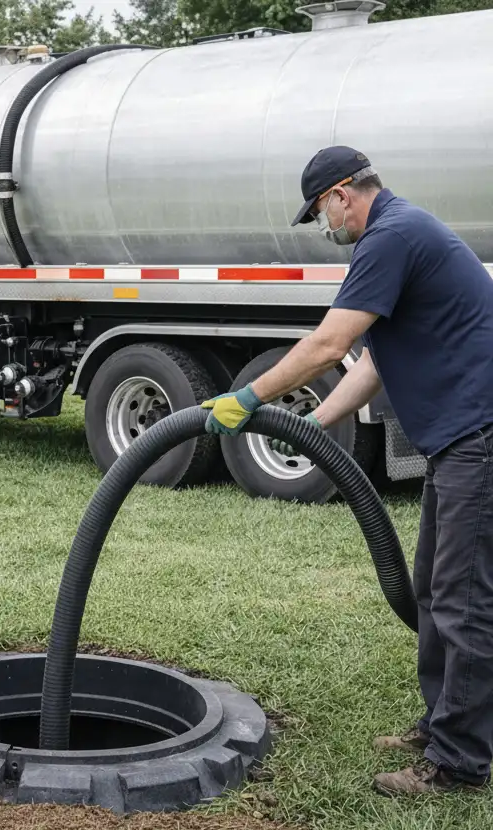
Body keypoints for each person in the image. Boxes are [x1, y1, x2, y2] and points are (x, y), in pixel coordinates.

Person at [202, 145, 493, 796]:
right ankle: (440, 725)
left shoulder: (390, 237)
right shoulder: (402, 233)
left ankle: (458, 764)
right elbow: (373, 362)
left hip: (479, 436)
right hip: (458, 439)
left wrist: (249, 396)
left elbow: (328, 344)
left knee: (465, 601)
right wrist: (317, 422)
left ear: (341, 194)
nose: (324, 227)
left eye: (319, 213)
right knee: (432, 590)